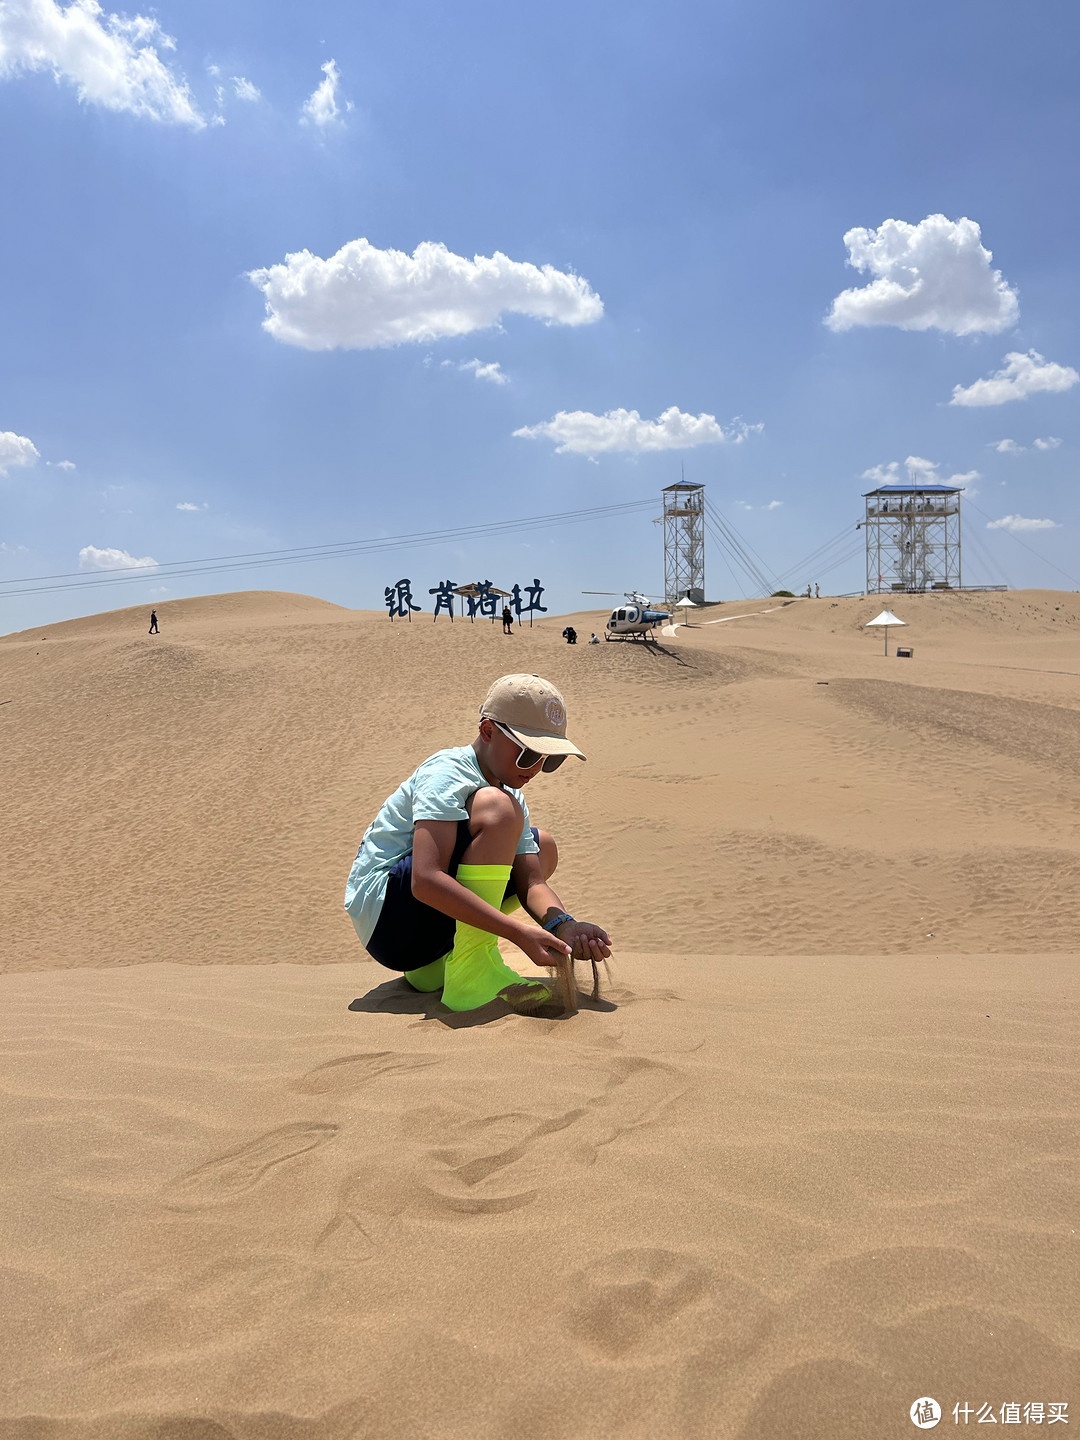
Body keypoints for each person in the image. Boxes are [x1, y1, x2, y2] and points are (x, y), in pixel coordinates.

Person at [344, 674, 611, 1013]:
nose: (538, 767)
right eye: (529, 753)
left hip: (421, 938)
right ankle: (473, 971)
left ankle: (437, 967)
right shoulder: (448, 773)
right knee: (499, 810)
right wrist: (517, 933)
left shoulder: (509, 793)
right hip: (387, 921)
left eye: (550, 759)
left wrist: (564, 925)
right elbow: (425, 879)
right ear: (488, 731)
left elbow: (532, 882)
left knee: (542, 846)